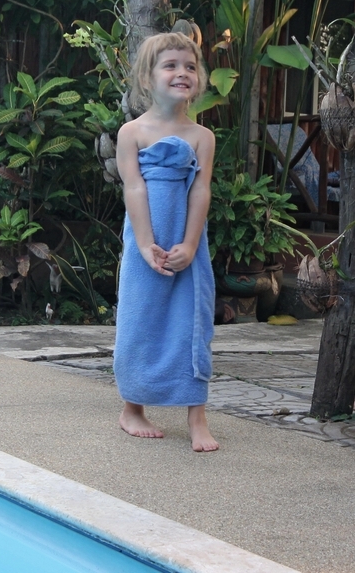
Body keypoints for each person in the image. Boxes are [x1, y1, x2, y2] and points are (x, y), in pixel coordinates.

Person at [113, 31, 219, 452]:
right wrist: (144, 245)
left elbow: (201, 190)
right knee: (140, 317)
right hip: (145, 241)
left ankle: (197, 416)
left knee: (191, 322)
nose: (182, 73)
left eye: (190, 66)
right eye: (170, 66)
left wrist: (190, 245)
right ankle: (132, 408)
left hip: (186, 242)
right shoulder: (132, 132)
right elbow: (134, 188)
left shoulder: (202, 137)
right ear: (147, 77)